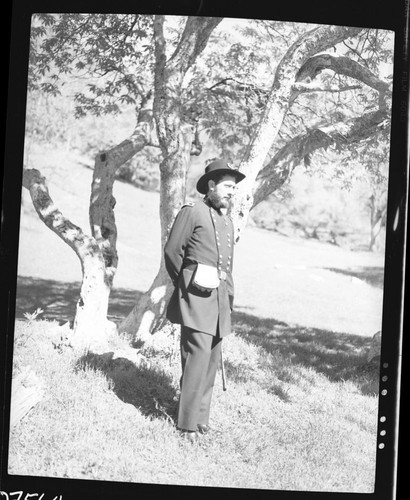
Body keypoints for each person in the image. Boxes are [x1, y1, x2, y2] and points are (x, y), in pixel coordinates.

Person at [164, 159, 245, 441]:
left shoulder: (227, 222)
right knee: (197, 356)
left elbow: (227, 265)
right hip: (196, 296)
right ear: (211, 185)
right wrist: (186, 286)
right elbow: (174, 252)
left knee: (211, 358)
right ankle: (186, 424)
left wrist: (228, 296)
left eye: (234, 187)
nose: (232, 192)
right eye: (227, 186)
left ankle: (201, 419)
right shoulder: (193, 211)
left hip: (220, 299)